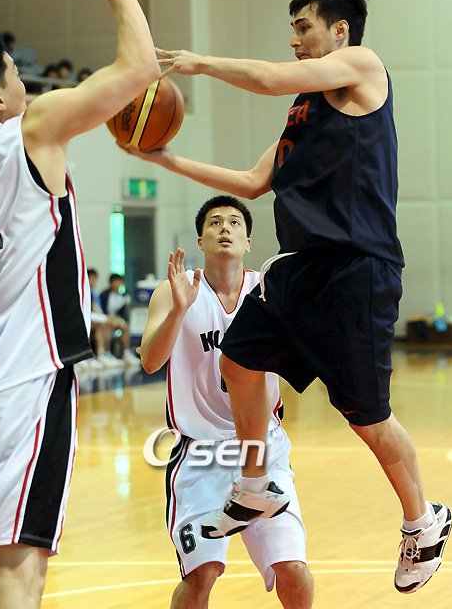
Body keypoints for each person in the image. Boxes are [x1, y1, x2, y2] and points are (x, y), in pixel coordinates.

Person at [120, 0, 451, 594]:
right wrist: (165, 160)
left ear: (339, 31)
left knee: (367, 417)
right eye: (293, 29)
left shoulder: (363, 69)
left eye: (304, 27)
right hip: (299, 269)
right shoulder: (305, 112)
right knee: (239, 360)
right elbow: (251, 182)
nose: (294, 39)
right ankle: (255, 484)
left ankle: (423, 521)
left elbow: (271, 78)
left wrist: (198, 62)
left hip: (356, 269)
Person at [0, 0, 160, 608]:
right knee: (17, 571)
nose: (27, 87)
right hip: (22, 377)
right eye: (16, 76)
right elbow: (140, 69)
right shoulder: (27, 133)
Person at [141, 195, 313, 609]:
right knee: (201, 575)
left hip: (261, 449)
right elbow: (150, 361)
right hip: (200, 454)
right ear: (200, 240)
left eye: (235, 222)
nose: (225, 228)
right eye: (215, 222)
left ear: (248, 242)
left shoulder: (268, 291)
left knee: (292, 567)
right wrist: (178, 310)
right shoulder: (174, 290)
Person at [99, 273, 139, 367]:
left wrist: (119, 319)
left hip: (117, 320)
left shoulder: (123, 296)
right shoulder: (104, 295)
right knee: (107, 327)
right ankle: (106, 353)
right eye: (115, 282)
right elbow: (102, 310)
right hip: (106, 320)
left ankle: (126, 353)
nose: (117, 284)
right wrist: (110, 318)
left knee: (125, 327)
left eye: (119, 282)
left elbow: (123, 314)